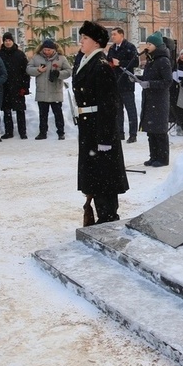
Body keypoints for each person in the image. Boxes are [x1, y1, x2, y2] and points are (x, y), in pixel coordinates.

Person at [72, 20, 129, 223]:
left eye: (85, 38)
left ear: (96, 43)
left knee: (104, 175)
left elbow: (109, 104)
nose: (81, 41)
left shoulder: (101, 66)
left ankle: (108, 216)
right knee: (95, 174)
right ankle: (101, 213)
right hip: (90, 126)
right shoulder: (88, 61)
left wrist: (105, 137)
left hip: (99, 127)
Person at [134, 32, 173, 167]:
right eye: (147, 43)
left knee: (159, 131)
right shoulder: (151, 59)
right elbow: (150, 77)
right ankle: (154, 156)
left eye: (150, 44)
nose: (147, 46)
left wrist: (150, 84)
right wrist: (138, 79)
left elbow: (167, 81)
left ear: (156, 45)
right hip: (150, 99)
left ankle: (162, 158)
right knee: (151, 130)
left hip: (159, 100)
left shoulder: (163, 60)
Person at [27, 39, 72, 140]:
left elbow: (69, 71)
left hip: (55, 91)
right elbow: (28, 69)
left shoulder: (61, 58)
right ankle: (43, 133)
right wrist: (38, 70)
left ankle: (61, 132)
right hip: (42, 91)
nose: (46, 52)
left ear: (54, 50)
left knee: (58, 114)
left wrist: (59, 74)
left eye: (49, 50)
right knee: (43, 114)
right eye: (45, 49)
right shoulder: (36, 58)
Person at [106, 27, 139, 144]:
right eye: (112, 34)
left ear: (121, 35)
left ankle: (133, 134)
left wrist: (120, 63)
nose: (112, 36)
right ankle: (120, 133)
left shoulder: (129, 47)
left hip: (126, 84)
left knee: (131, 110)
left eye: (114, 34)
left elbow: (135, 62)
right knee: (118, 111)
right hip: (115, 84)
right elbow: (109, 61)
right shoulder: (112, 48)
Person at [0, 32, 30, 139]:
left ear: (13, 41)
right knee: (6, 111)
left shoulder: (20, 54)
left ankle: (23, 132)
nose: (7, 42)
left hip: (18, 87)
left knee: (20, 110)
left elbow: (26, 72)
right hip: (4, 87)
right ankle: (8, 132)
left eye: (9, 40)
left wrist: (25, 87)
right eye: (6, 40)